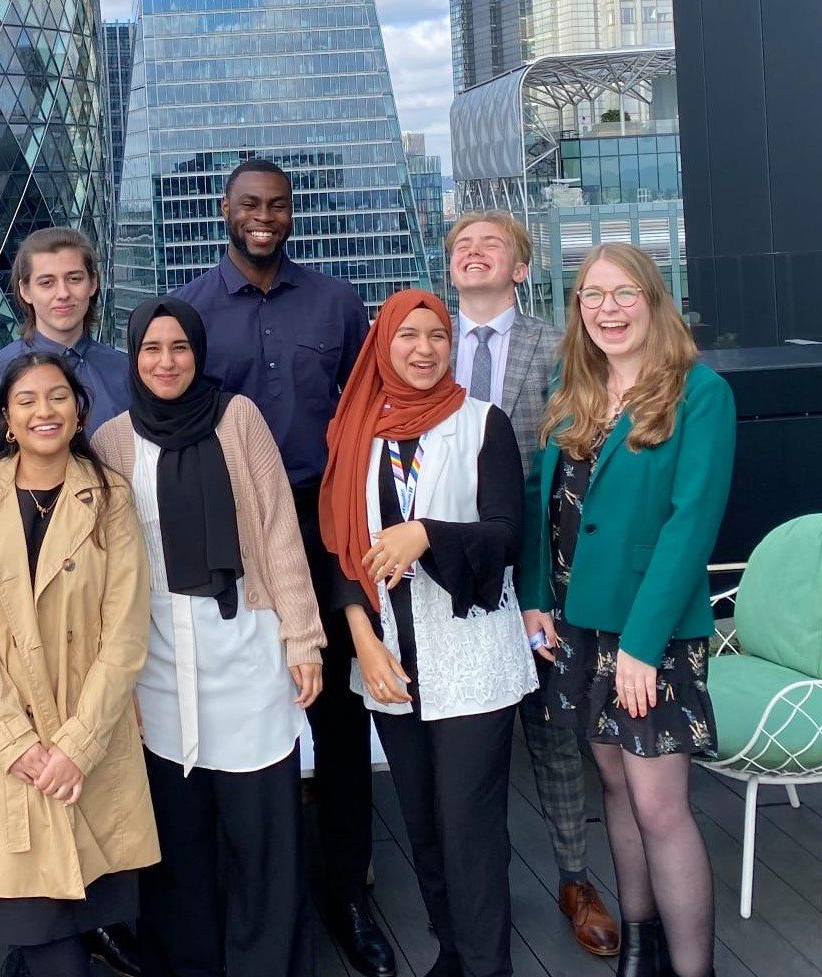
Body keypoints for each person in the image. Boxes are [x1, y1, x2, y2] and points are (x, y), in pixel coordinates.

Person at [172, 158, 393, 977]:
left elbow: (362, 416)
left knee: (338, 719)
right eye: (248, 205)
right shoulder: (188, 309)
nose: (263, 217)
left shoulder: (336, 302)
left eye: (277, 206)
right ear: (224, 211)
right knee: (234, 714)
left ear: (292, 213)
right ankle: (248, 896)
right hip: (221, 536)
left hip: (317, 521)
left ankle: (346, 892)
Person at [520, 244, 734, 977]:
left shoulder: (697, 393)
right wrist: (536, 602)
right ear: (575, 306)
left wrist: (641, 646)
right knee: (612, 783)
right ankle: (637, 949)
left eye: (622, 293)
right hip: (578, 626)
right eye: (590, 294)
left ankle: (691, 967)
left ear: (652, 298)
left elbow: (689, 524)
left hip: (652, 634)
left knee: (658, 803)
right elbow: (542, 505)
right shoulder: (570, 384)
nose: (606, 308)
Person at [92, 297, 323, 977]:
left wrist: (302, 637)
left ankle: (266, 961)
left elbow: (279, 529)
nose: (166, 362)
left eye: (179, 348)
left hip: (244, 643)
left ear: (199, 353)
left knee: (262, 834)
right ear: (132, 358)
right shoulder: (111, 441)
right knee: (178, 838)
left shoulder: (237, 418)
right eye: (151, 349)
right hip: (157, 657)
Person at [321, 289, 536, 977]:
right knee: (422, 822)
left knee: (468, 827)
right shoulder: (356, 431)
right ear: (381, 344)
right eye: (407, 335)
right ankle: (452, 950)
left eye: (436, 335)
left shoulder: (482, 423)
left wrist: (426, 534)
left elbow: (506, 537)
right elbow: (335, 545)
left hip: (470, 656)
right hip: (387, 657)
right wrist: (359, 635)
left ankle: (486, 964)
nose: (422, 348)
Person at [0, 352, 159, 977]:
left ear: (79, 409)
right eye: (27, 400)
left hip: (88, 748)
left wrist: (76, 747)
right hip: (12, 752)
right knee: (37, 933)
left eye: (57, 396)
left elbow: (125, 631)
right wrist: (19, 743)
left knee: (77, 917)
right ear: (6, 418)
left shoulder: (108, 495)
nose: (44, 411)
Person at [446, 211, 619, 956]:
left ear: (520, 268)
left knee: (550, 731)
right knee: (465, 745)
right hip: (444, 574)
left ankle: (575, 875)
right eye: (461, 246)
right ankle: (473, 890)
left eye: (491, 246)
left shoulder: (561, 346)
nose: (473, 254)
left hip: (537, 567)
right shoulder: (420, 342)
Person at [0, 227, 130, 478]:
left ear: (93, 283)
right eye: (47, 282)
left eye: (74, 278)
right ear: (25, 290)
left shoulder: (125, 372)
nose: (63, 294)